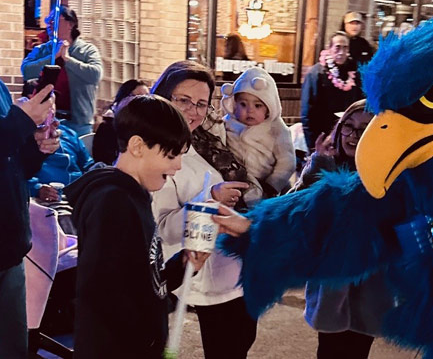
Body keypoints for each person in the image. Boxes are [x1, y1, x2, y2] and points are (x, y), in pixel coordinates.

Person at [63, 95, 209, 358]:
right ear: (138, 146)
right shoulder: (113, 202)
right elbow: (105, 296)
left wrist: (181, 266)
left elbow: (140, 278)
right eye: (171, 155)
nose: (177, 167)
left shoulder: (133, 195)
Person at [151, 61, 257, 359]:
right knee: (227, 345)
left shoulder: (200, 142)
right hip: (202, 272)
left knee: (242, 336)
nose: (193, 111)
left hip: (230, 262)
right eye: (183, 100)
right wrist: (210, 199)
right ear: (163, 96)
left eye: (201, 103)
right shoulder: (153, 151)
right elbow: (161, 226)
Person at [290, 100, 388, 359]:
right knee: (330, 349)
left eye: (364, 129)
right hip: (332, 284)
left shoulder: (388, 173)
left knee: (357, 349)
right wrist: (318, 165)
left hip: (369, 285)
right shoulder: (327, 165)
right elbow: (292, 209)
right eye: (348, 126)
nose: (353, 136)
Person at [0, 81, 60, 358]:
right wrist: (21, 122)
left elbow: (12, 164)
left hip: (10, 249)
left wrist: (36, 147)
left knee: (14, 350)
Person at [21, 5, 103, 136]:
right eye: (48, 20)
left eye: (54, 20)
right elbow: (26, 71)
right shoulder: (42, 50)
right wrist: (53, 56)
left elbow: (95, 75)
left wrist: (67, 59)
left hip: (79, 122)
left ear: (70, 24)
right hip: (46, 120)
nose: (49, 24)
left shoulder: (87, 50)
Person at [220, 67, 295, 206]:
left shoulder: (277, 129)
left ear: (269, 107)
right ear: (234, 105)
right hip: (235, 184)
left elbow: (287, 162)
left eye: (258, 105)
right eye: (243, 104)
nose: (250, 110)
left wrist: (272, 185)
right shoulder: (227, 124)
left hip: (268, 186)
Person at [19, 79, 95, 202]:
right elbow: (11, 175)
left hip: (79, 196)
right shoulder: (19, 135)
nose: (50, 107)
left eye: (52, 101)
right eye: (44, 102)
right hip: (43, 203)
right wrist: (37, 189)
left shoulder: (68, 133)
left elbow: (87, 164)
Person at [301, 31, 364, 151]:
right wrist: (313, 146)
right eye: (337, 47)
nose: (341, 52)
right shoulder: (316, 73)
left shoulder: (355, 73)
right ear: (329, 49)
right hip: (322, 134)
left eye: (345, 48)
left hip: (346, 135)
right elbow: (307, 113)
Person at [93, 79, 150, 165]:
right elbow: (104, 161)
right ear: (124, 100)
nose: (145, 102)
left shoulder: (149, 127)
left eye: (148, 97)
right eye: (139, 97)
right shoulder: (107, 127)